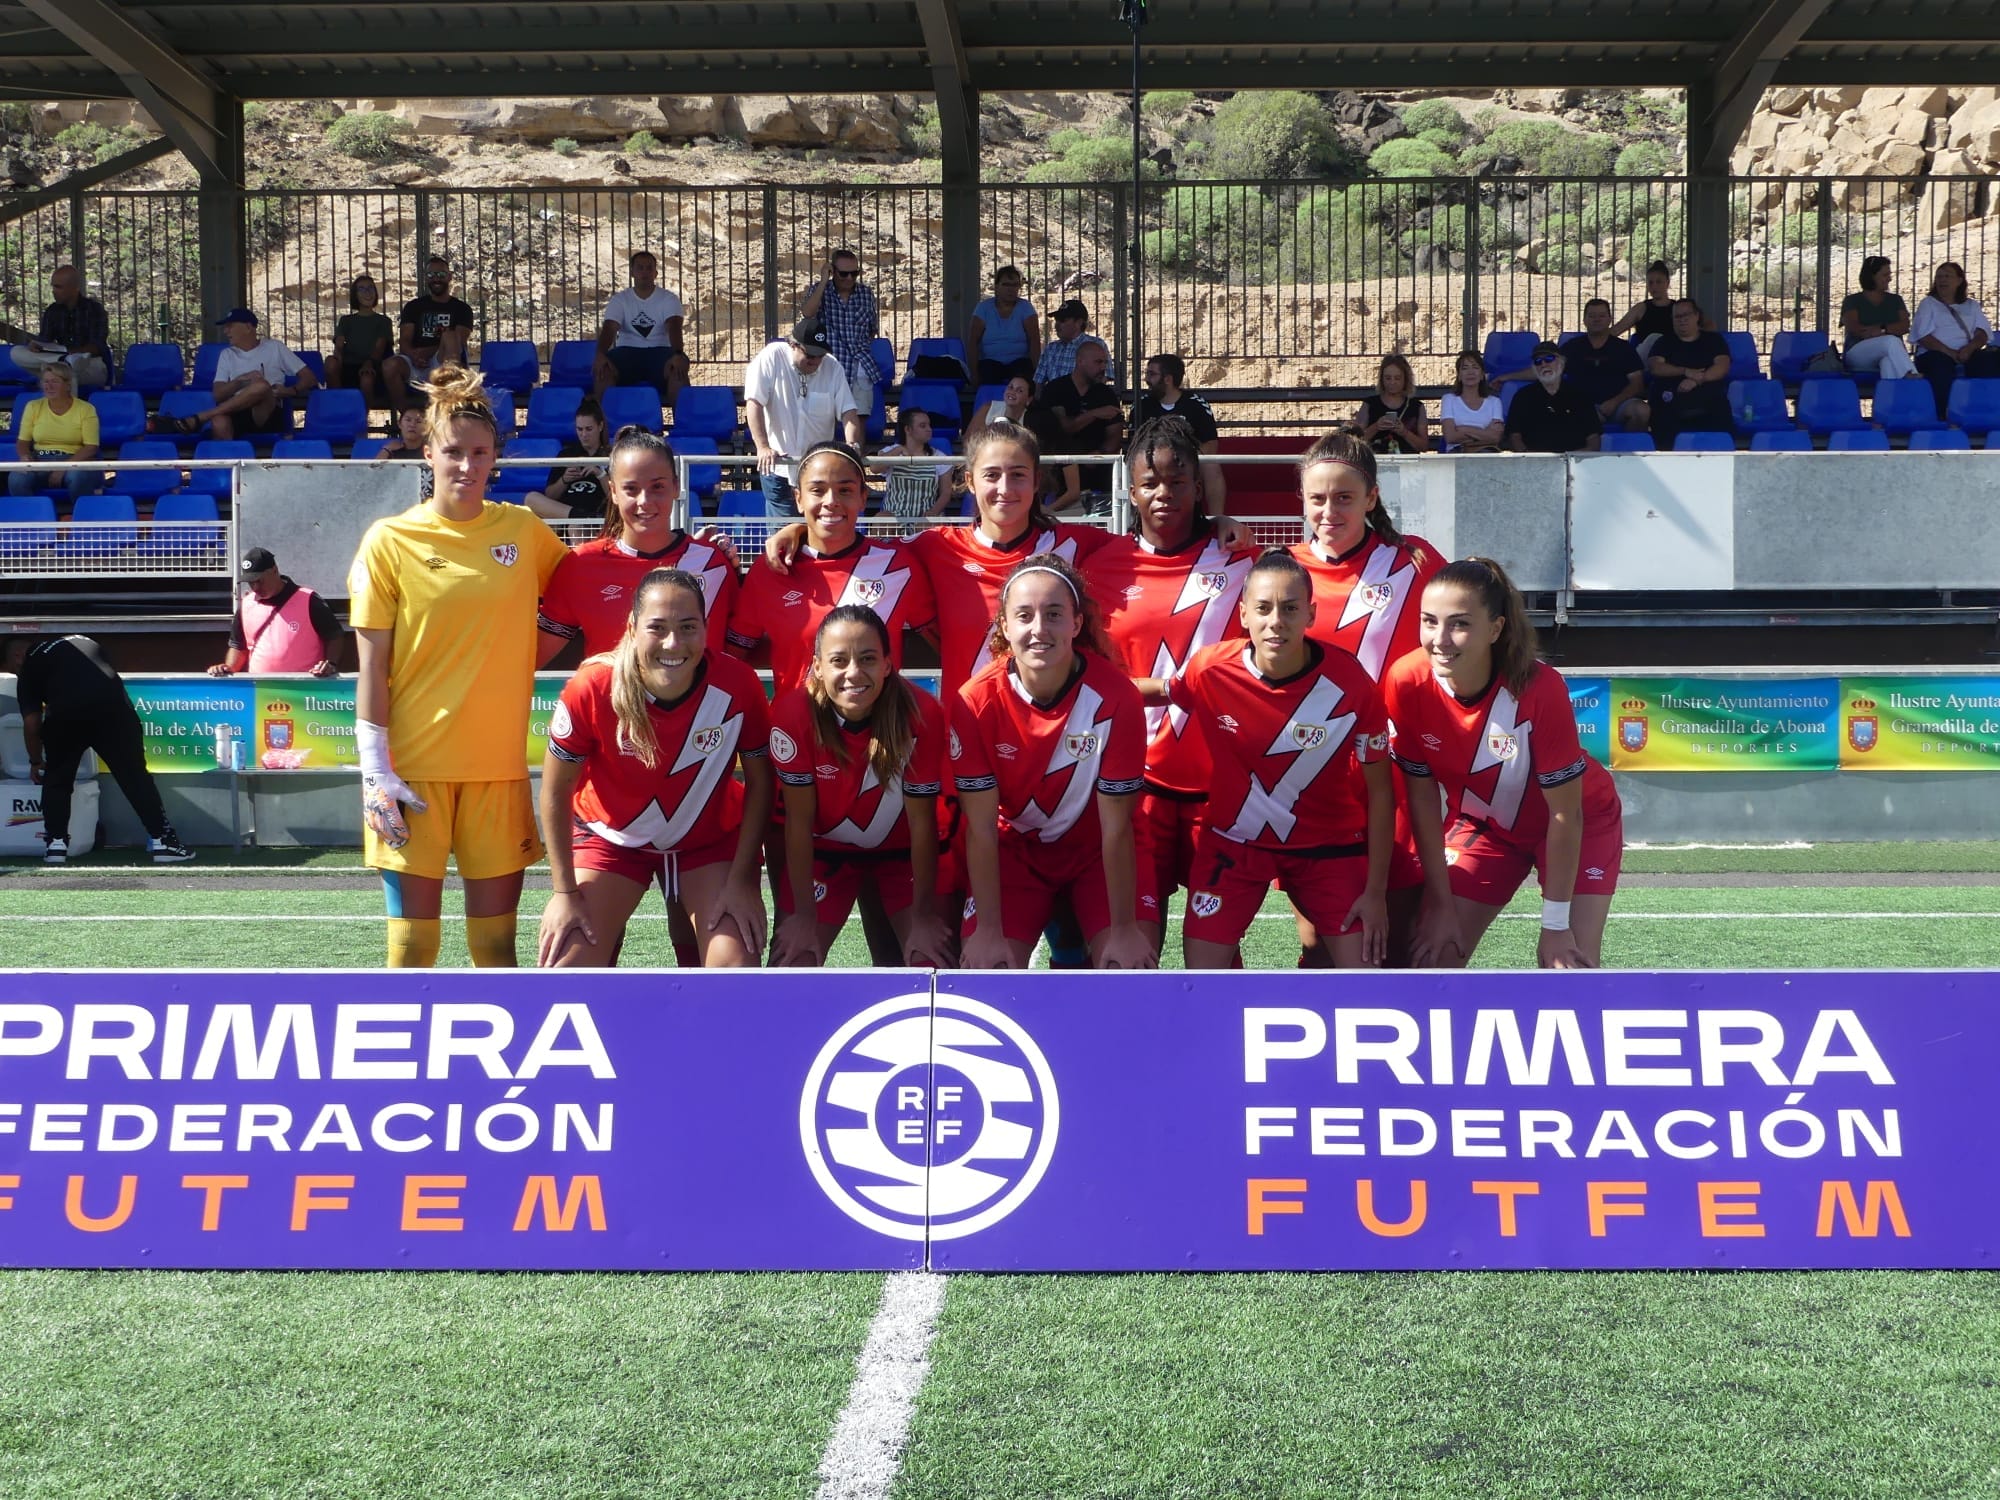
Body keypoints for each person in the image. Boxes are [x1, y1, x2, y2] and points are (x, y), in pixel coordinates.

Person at [347, 365, 568, 969]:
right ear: (428, 453)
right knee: (411, 950)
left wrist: (693, 557)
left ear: (495, 458)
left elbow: (588, 589)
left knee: (495, 951)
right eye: (453, 452)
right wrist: (374, 771)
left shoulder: (523, 530)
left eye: (479, 453)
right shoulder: (389, 540)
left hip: (497, 772)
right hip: (410, 773)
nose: (466, 466)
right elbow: (372, 666)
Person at [535, 428, 741, 972]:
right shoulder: (580, 566)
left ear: (677, 488)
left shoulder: (715, 564)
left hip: (699, 787)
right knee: (579, 953)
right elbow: (529, 653)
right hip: (612, 792)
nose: (645, 501)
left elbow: (747, 652)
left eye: (657, 487)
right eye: (630, 488)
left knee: (712, 956)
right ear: (611, 490)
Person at [1386, 557, 1623, 969]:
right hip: (1487, 827)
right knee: (1433, 956)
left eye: (1459, 624)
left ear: (1495, 629)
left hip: (1579, 823)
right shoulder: (1406, 680)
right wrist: (1440, 902)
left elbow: (1565, 814)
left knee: (1569, 969)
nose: (1440, 639)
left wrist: (1555, 925)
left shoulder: (1540, 687)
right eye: (1429, 621)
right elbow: (1420, 798)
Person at [536, 567, 771, 969]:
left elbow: (762, 783)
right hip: (611, 841)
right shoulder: (592, 686)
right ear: (632, 627)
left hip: (707, 842)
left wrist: (742, 880)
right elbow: (555, 792)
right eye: (657, 628)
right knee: (567, 966)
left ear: (706, 628)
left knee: (734, 969)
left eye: (688, 627)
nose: (673, 643)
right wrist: (564, 893)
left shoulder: (738, 684)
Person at [1171, 550, 1393, 970]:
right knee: (1202, 978)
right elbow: (1160, 691)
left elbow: (1381, 792)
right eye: (1263, 608)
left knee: (1366, 978)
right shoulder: (1210, 668)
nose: (1276, 621)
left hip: (1329, 848)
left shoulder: (1352, 684)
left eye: (1290, 608)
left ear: (1311, 614)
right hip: (1234, 845)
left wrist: (1376, 892)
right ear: (1243, 614)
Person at [949, 553, 1157, 970]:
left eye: (1054, 614)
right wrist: (988, 929)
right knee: (988, 970)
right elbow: (982, 828)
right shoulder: (974, 701)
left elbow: (1115, 827)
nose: (1039, 628)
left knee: (1128, 971)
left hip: (1098, 852)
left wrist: (1122, 930)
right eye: (1024, 615)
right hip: (1017, 853)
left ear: (1077, 624)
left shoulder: (1117, 696)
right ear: (1004, 626)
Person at [1083, 419, 1255, 920]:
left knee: (1216, 949)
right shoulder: (1101, 564)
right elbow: (1089, 674)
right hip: (1133, 784)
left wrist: (1223, 521)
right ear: (1131, 491)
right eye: (1150, 482)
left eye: (1178, 481)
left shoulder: (1242, 557)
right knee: (1136, 940)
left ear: (1198, 488)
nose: (1164, 493)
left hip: (1221, 784)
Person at [1287, 431, 1443, 968]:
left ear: (1372, 497)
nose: (1329, 511)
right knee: (1320, 947)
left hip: (1393, 777)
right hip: (1308, 778)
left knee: (1392, 944)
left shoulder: (1414, 562)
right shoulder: (1281, 569)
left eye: (1345, 497)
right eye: (1317, 498)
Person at [768, 605, 954, 968]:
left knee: (931, 961)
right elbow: (799, 823)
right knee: (794, 962)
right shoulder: (793, 715)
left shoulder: (922, 714)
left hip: (902, 857)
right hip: (825, 855)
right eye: (839, 660)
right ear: (818, 667)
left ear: (887, 664)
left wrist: (923, 916)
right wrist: (803, 915)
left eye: (867, 658)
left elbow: (922, 824)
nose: (854, 672)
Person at [729, 442, 936, 694]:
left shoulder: (898, 567)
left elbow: (948, 643)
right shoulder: (771, 568)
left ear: (863, 498)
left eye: (845, 490)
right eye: (817, 490)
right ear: (799, 499)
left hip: (879, 720)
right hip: (795, 718)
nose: (831, 501)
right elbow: (731, 656)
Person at [2, 632, 192, 865]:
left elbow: (32, 724)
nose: (17, 674)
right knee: (134, 777)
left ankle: (55, 846)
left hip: (65, 715)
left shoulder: (31, 665)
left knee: (57, 779)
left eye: (14, 670)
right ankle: (163, 841)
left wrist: (35, 761)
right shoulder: (83, 640)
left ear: (17, 655)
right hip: (113, 711)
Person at [744, 317, 866, 518]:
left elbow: (848, 411)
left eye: (820, 355)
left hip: (818, 471)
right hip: (779, 469)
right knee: (784, 534)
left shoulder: (832, 366)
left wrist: (852, 443)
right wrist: (763, 447)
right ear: (793, 345)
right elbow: (754, 403)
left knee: (819, 531)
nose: (815, 361)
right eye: (810, 355)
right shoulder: (771, 356)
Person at [168, 308, 316, 441]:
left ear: (248, 327)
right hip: (237, 410)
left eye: (230, 326)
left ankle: (203, 416)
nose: (226, 331)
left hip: (267, 411)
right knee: (219, 422)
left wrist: (291, 390)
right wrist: (240, 381)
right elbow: (217, 395)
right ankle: (229, 461)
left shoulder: (274, 347)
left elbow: (309, 378)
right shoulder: (227, 354)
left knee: (262, 386)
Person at [207, 546, 343, 677]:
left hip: (305, 687)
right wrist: (229, 668)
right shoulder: (246, 604)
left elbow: (335, 635)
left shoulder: (308, 599)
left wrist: (330, 664)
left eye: (259, 581)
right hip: (261, 687)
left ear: (274, 570)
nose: (255, 587)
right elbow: (238, 646)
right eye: (250, 582)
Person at [1032, 335, 1123, 512]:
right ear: (1080, 361)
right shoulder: (1055, 389)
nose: (1103, 368)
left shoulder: (1106, 394)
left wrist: (1100, 454)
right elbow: (1064, 428)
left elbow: (1116, 434)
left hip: (1098, 473)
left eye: (1104, 362)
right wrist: (1094, 413)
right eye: (1098, 362)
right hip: (1060, 473)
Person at [1134, 352, 1230, 511]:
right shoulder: (1142, 405)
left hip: (1187, 461)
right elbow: (1135, 444)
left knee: (1211, 465)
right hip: (1152, 461)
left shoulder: (1196, 404)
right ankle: (1135, 519)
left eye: (1152, 374)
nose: (1147, 379)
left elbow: (1211, 445)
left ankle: (1216, 518)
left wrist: (1185, 458)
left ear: (1167, 379)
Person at [593, 250, 688, 402]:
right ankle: (602, 417)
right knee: (603, 370)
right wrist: (600, 355)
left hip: (660, 352)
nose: (645, 272)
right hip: (626, 353)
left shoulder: (669, 299)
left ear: (656, 273)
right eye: (640, 267)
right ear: (632, 272)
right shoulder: (620, 300)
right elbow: (609, 328)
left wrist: (678, 354)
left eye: (649, 268)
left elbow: (674, 327)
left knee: (678, 370)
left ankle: (683, 417)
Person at [1912, 261, 2000, 420]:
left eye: (1947, 276)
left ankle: (1984, 411)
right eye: (1939, 276)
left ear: (1959, 280)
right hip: (1936, 353)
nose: (1942, 280)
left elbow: (1982, 333)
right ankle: (1944, 415)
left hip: (1967, 353)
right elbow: (1924, 337)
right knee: (1940, 366)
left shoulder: (1971, 305)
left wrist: (1969, 348)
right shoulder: (1928, 304)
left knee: (1988, 361)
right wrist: (1950, 353)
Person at [385, 257, 474, 410]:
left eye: (441, 274)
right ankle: (406, 415)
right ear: (426, 277)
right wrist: (414, 356)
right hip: (416, 362)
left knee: (449, 335)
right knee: (389, 365)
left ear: (449, 276)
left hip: (443, 360)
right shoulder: (413, 306)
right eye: (431, 275)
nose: (436, 279)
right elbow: (404, 340)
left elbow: (459, 341)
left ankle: (450, 408)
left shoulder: (462, 309)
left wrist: (426, 352)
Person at [8, 362, 101, 500]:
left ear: (67, 385)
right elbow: (22, 441)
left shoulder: (86, 409)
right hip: (40, 460)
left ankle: (81, 512)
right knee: (16, 479)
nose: (49, 386)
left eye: (55, 382)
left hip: (75, 461)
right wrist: (25, 457)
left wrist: (64, 467)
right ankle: (34, 513)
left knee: (77, 477)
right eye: (46, 381)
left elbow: (91, 447)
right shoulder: (33, 406)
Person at [1647, 298, 1732, 446]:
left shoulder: (1714, 340)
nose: (1682, 320)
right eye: (1677, 316)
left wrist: (1697, 379)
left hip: (1709, 402)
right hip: (1671, 404)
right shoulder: (1663, 342)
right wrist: (1685, 371)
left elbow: (1722, 366)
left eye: (1686, 315)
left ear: (1697, 316)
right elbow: (1655, 367)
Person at [8, 265, 109, 390]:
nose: (53, 291)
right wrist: (37, 346)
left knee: (61, 375)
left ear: (74, 288)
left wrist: (74, 353)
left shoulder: (94, 309)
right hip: (58, 361)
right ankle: (65, 361)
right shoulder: (52, 311)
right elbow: (45, 341)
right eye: (53, 286)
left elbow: (98, 346)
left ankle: (67, 362)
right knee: (16, 352)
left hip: (90, 364)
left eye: (58, 287)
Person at [1558, 299, 1650, 433]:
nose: (1597, 319)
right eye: (1592, 316)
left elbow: (1637, 384)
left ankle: (1628, 446)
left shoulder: (1623, 348)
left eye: (1601, 316)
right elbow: (1548, 369)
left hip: (1619, 404)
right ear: (1584, 320)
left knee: (1641, 410)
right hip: (1583, 406)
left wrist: (1614, 402)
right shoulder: (1572, 347)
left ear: (1609, 319)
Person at [797, 247, 880, 393]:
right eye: (843, 274)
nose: (849, 278)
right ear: (833, 271)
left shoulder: (866, 294)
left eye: (854, 273)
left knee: (860, 408)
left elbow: (872, 329)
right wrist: (824, 281)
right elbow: (807, 313)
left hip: (860, 369)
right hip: (827, 368)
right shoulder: (819, 291)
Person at [1506, 342, 1603, 453]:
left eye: (1549, 359)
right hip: (1535, 460)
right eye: (1538, 361)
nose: (1543, 364)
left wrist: (1573, 457)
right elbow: (1514, 435)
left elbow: (1593, 439)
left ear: (1562, 362)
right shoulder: (1522, 397)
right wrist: (1527, 456)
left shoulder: (1580, 396)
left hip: (1574, 460)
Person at [526, 399, 611, 521]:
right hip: (567, 516)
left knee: (575, 527)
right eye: (579, 429)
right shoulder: (566, 455)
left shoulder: (611, 455)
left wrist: (600, 473)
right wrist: (564, 480)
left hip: (597, 519)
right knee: (530, 498)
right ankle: (580, 517)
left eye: (589, 429)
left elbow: (616, 498)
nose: (584, 435)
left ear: (600, 426)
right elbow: (550, 495)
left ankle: (582, 519)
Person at [1610, 260, 1710, 358]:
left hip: (1675, 355)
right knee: (1653, 338)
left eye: (1659, 282)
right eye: (1650, 283)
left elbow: (1709, 325)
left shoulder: (1679, 308)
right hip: (1648, 357)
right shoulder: (1640, 309)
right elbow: (1617, 329)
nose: (1654, 286)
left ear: (1667, 283)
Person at [1842, 256, 1917, 384]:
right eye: (1885, 275)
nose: (1889, 278)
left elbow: (1904, 326)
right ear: (1871, 276)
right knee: (1890, 340)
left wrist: (1881, 330)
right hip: (1858, 353)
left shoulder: (1895, 300)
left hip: (1887, 352)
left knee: (1887, 363)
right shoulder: (1852, 300)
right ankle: (1912, 377)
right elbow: (1855, 328)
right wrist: (1888, 330)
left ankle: (1890, 395)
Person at [876, 407, 956, 528]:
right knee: (881, 518)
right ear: (908, 429)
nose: (929, 429)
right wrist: (898, 450)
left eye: (929, 425)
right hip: (893, 519)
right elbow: (875, 468)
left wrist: (932, 513)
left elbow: (946, 493)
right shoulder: (890, 451)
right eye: (923, 426)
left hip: (924, 518)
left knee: (930, 524)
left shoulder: (939, 457)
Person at [966, 266, 1040, 386]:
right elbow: (973, 341)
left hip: (1019, 362)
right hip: (990, 363)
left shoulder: (1026, 308)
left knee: (1023, 377)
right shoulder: (983, 308)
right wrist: (973, 373)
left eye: (1015, 285)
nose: (1011, 289)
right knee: (989, 377)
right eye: (1006, 285)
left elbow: (1034, 340)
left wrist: (1037, 373)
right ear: (996, 286)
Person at [326, 273, 393, 405]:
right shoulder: (346, 320)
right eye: (361, 289)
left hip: (373, 366)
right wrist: (337, 362)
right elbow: (339, 346)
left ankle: (362, 415)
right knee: (330, 362)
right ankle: (338, 407)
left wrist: (369, 363)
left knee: (366, 377)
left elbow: (379, 349)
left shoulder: (384, 321)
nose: (367, 292)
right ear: (355, 294)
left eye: (370, 288)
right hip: (349, 366)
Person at [1350, 353, 1428, 457]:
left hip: (1408, 460)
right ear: (1382, 379)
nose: (1392, 382)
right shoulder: (1369, 404)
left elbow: (1424, 446)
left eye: (1397, 378)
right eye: (1388, 378)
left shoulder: (1417, 407)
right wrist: (1376, 427)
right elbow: (1355, 441)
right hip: (1376, 460)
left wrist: (1404, 432)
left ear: (1405, 379)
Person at [1439, 351, 1504, 453]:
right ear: (1459, 375)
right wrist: (1484, 433)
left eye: (1475, 367)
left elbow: (1495, 438)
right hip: (1458, 452)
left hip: (1486, 452)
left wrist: (1464, 429)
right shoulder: (1449, 399)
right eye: (1465, 368)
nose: (1470, 372)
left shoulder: (1494, 402)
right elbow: (1450, 437)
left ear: (1482, 375)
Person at [1032, 299, 1094, 389]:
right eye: (1056, 320)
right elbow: (1038, 384)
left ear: (1079, 323)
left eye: (1063, 320)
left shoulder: (1095, 346)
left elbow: (1101, 380)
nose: (1056, 324)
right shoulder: (1050, 349)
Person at [967, 374, 1034, 438]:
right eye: (1010, 387)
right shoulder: (988, 408)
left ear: (1029, 399)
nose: (1012, 392)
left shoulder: (1032, 419)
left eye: (1020, 391)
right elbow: (969, 438)